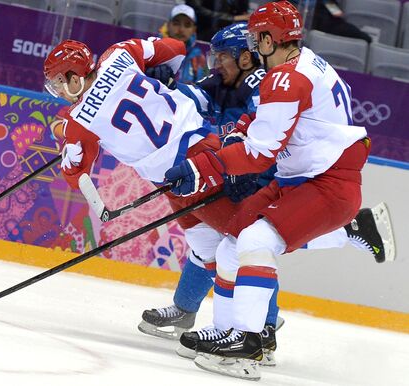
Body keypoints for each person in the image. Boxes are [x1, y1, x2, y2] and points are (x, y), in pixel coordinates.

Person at [137, 22, 393, 366]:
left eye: (223, 56)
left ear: (246, 57)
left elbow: (268, 147)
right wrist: (157, 90)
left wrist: (231, 168)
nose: (217, 64)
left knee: (255, 242)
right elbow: (196, 96)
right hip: (247, 168)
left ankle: (262, 330)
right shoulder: (231, 79)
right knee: (231, 240)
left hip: (270, 174)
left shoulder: (269, 82)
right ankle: (222, 325)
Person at [157, 4, 208, 84]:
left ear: (194, 29)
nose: (181, 29)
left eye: (187, 25)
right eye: (176, 23)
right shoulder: (154, 49)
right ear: (168, 25)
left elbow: (205, 87)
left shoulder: (200, 58)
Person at [185, 0, 251, 41]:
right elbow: (197, 9)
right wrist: (232, 18)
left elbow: (243, 12)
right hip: (200, 35)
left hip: (226, 37)